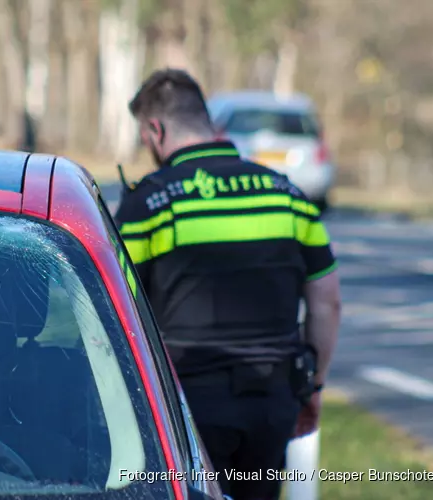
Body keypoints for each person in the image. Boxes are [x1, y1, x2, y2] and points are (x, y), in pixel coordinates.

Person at [115, 69, 342, 500]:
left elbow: (119, 309)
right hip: (273, 400)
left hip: (186, 406)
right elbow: (327, 303)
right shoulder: (287, 194)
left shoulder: (148, 203)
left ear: (155, 129)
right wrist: (312, 387)